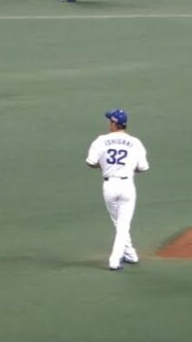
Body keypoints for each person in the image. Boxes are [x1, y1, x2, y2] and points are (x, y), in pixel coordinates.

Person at [85, 109, 150, 271]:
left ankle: (122, 257)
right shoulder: (135, 142)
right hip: (127, 185)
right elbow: (143, 167)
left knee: (119, 224)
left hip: (109, 186)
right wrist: (128, 169)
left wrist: (105, 167)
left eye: (110, 121)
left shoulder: (101, 140)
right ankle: (126, 256)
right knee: (122, 225)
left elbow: (91, 162)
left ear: (114, 123)